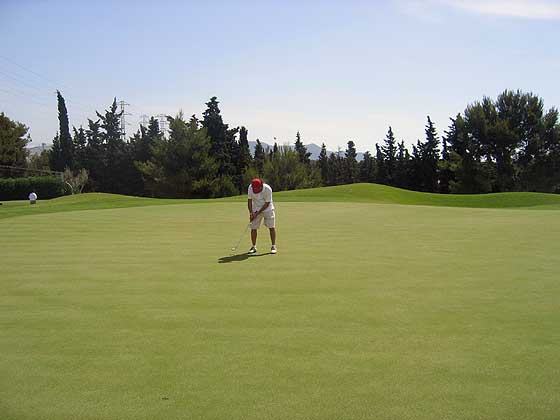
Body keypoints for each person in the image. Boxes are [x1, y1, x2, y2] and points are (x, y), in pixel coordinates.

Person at [247, 178, 277, 254]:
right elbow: (249, 201)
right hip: (255, 209)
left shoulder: (267, 189)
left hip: (268, 209)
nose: (255, 190)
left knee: (271, 227)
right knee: (253, 228)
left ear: (261, 186)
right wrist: (251, 213)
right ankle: (253, 246)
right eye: (254, 188)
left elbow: (267, 203)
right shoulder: (250, 187)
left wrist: (257, 213)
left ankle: (273, 246)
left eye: (257, 188)